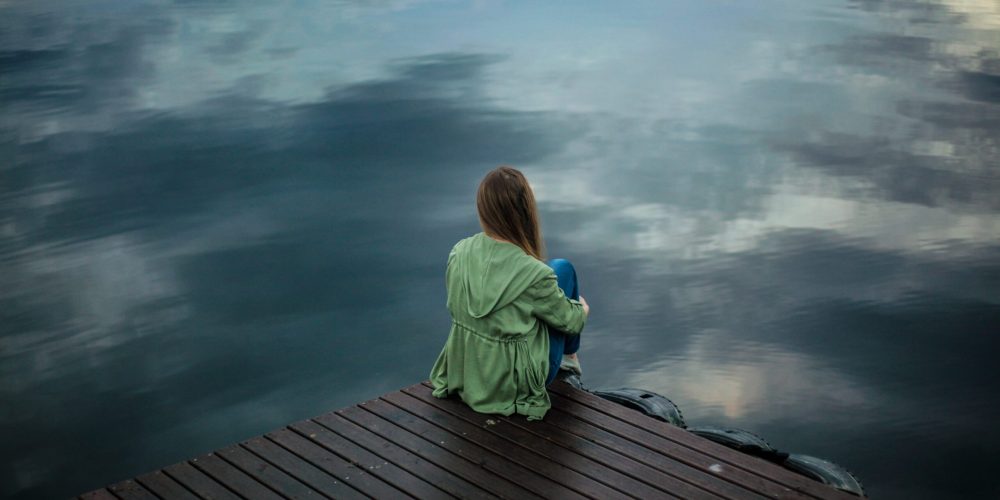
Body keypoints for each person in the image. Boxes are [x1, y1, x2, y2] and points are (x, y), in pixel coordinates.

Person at [429, 165, 590, 421]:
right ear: (526, 210)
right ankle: (569, 359)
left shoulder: (459, 252)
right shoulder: (535, 274)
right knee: (562, 269)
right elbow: (572, 322)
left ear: (483, 208)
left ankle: (568, 358)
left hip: (469, 372)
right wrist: (582, 309)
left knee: (553, 276)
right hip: (512, 385)